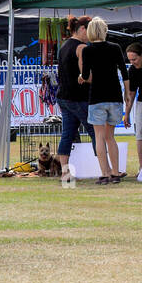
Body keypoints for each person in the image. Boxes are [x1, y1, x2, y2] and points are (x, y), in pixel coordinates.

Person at [79, 16, 129, 184]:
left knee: (99, 137)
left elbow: (86, 75)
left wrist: (81, 77)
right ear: (105, 31)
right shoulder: (115, 48)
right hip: (114, 96)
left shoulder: (87, 50)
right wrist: (127, 94)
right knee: (111, 137)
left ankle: (105, 173)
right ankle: (115, 172)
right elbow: (124, 71)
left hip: (97, 97)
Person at [55, 16, 95, 175]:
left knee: (67, 134)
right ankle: (106, 170)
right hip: (78, 97)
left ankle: (65, 171)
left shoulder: (64, 46)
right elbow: (86, 75)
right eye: (91, 31)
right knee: (95, 131)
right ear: (83, 29)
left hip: (63, 96)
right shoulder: (81, 48)